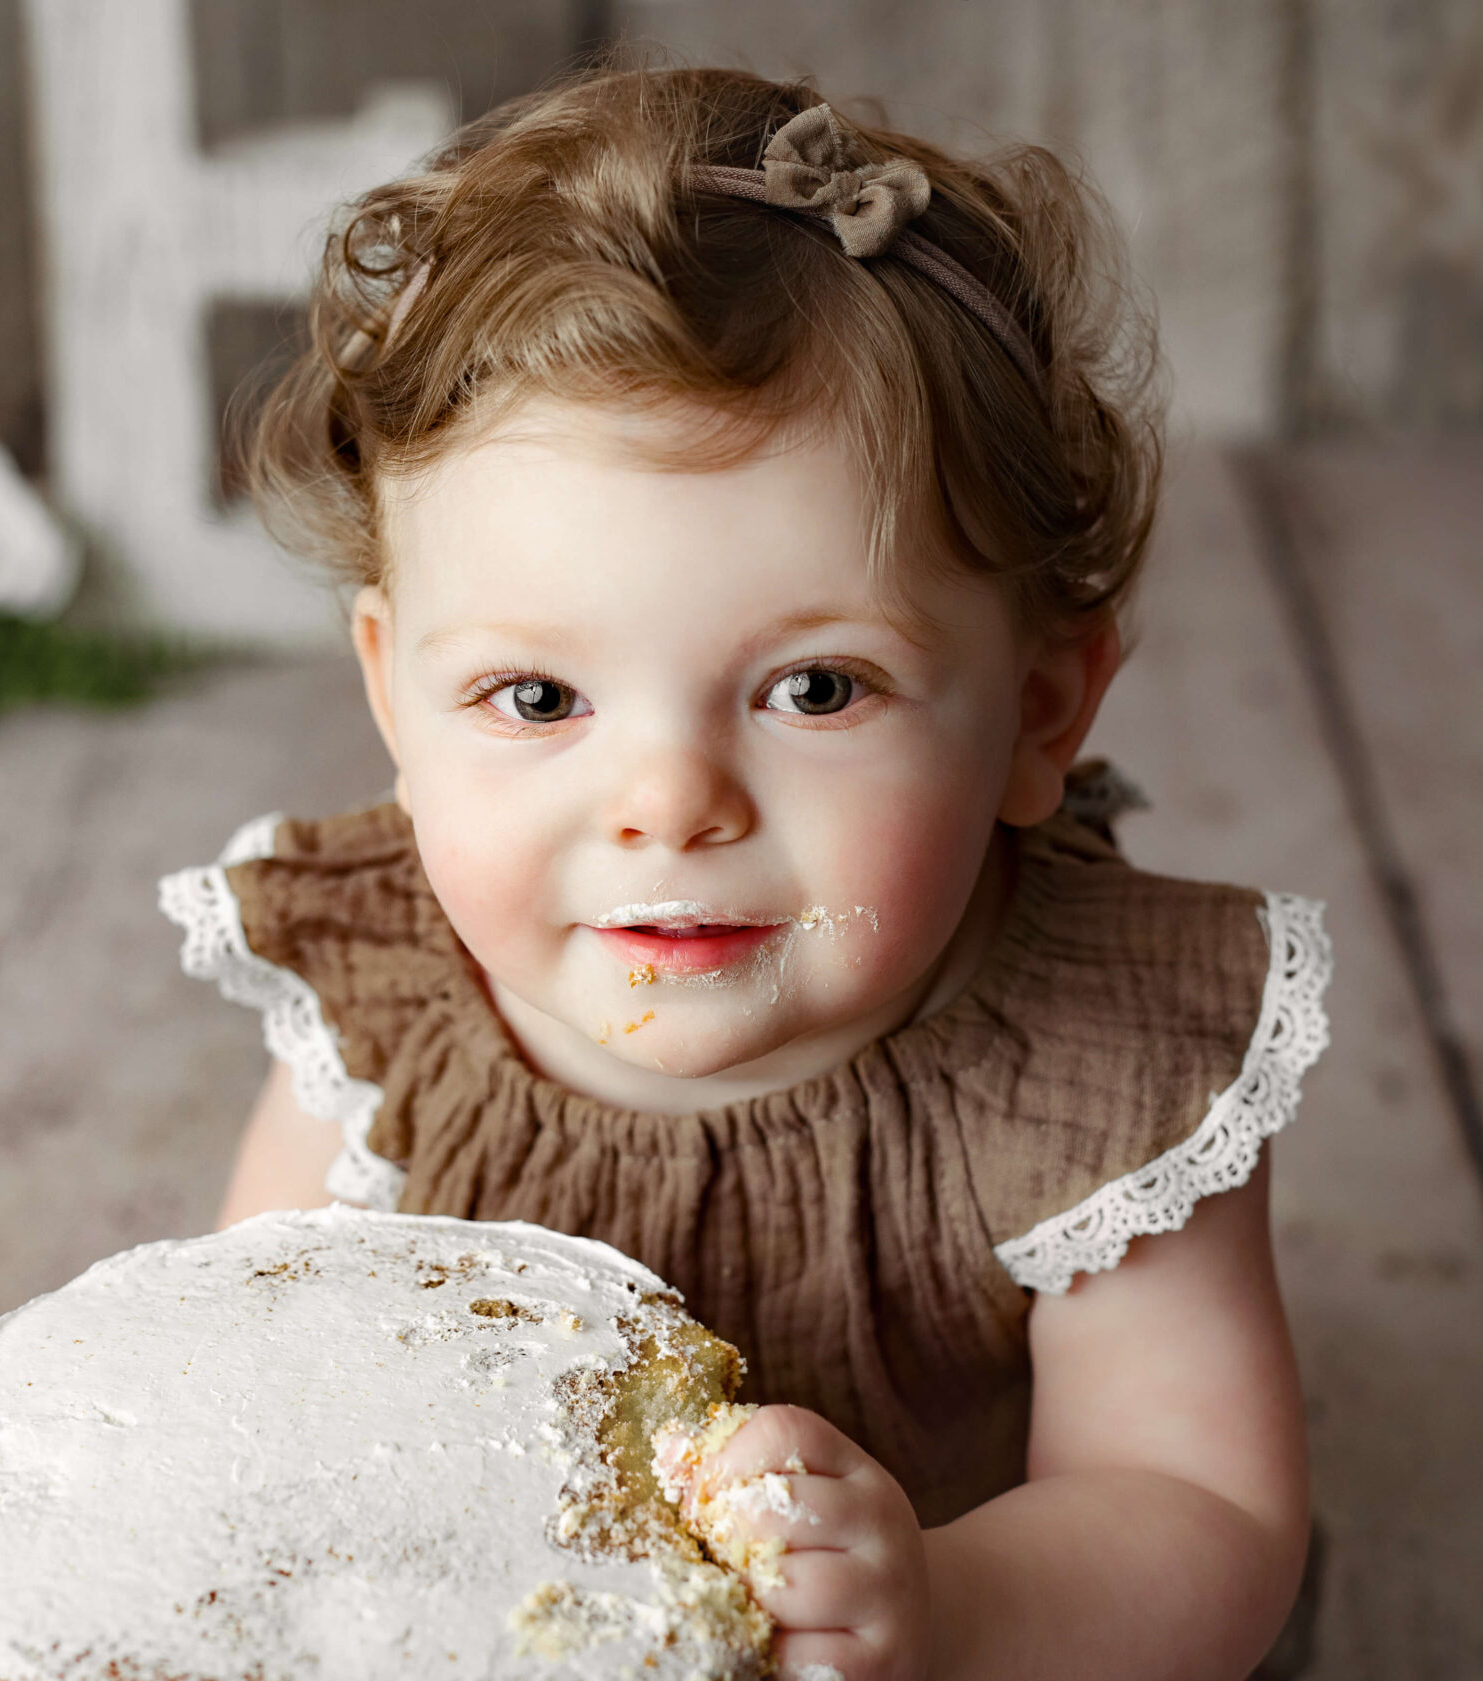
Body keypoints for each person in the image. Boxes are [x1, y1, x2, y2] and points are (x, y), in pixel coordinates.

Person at [158, 64, 1332, 1681]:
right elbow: (237, 1397)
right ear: (392, 693)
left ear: (1038, 710)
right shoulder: (388, 1025)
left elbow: (1197, 1503)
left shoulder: (1089, 1072)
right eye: (539, 698)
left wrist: (950, 1606)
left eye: (817, 690)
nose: (670, 803)